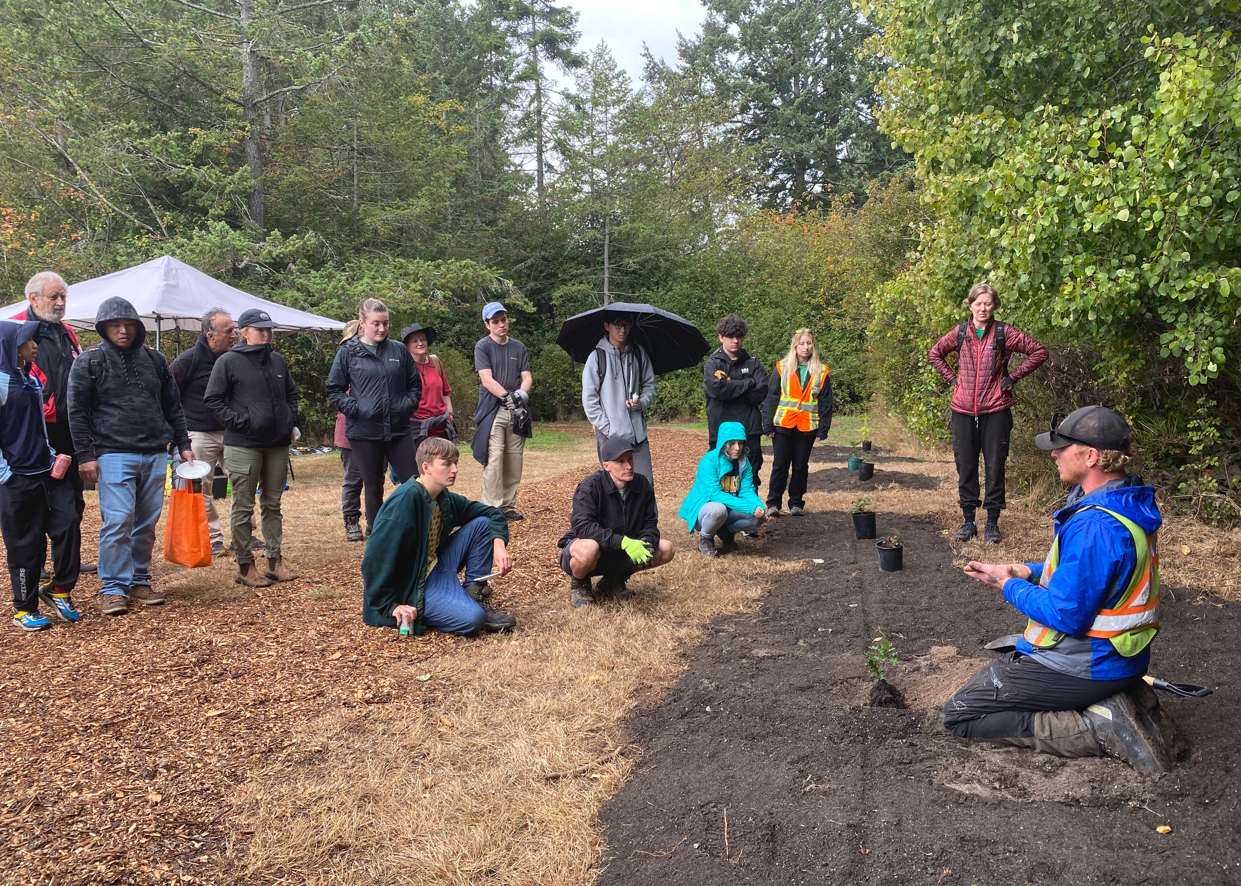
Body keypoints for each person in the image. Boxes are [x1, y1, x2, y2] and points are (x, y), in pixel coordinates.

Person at [944, 406, 1171, 772]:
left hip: (1090, 663)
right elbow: (1089, 574)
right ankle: (1113, 700)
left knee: (960, 713)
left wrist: (1009, 585)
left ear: (1091, 456)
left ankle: (1092, 726)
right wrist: (1023, 570)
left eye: (1062, 447)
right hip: (1124, 657)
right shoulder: (1125, 501)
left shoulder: (1095, 524)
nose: (1054, 454)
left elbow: (1067, 614)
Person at [67, 297, 195, 616]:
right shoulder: (89, 361)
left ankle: (139, 579)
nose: (122, 331)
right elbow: (77, 411)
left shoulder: (155, 359)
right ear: (103, 328)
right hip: (112, 452)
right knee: (118, 520)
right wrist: (85, 455)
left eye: (128, 325)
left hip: (154, 452)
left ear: (138, 327)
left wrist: (184, 444)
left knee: (146, 523)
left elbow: (173, 406)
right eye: (114, 325)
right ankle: (112, 587)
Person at [929, 282, 1048, 544]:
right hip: (962, 410)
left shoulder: (1004, 333)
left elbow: (1039, 352)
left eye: (988, 303)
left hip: (996, 409)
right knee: (966, 466)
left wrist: (1013, 377)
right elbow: (935, 354)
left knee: (995, 466)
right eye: (978, 303)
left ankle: (992, 523)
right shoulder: (960, 332)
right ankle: (968, 521)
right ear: (969, 305)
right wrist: (952, 379)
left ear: (994, 306)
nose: (983, 308)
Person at [361, 437, 516, 636]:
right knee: (473, 620)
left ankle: (474, 593)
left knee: (482, 525)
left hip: (439, 564)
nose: (455, 470)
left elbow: (493, 513)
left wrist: (499, 545)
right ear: (426, 467)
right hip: (415, 583)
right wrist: (390, 607)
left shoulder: (444, 498)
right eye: (447, 464)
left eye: (456, 464)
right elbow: (373, 561)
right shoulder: (403, 504)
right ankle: (450, 603)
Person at [203, 308, 299, 588]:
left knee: (273, 504)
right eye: (260, 329)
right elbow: (213, 400)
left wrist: (288, 418)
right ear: (243, 332)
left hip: (277, 443)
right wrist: (242, 422)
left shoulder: (278, 361)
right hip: (243, 444)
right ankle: (245, 566)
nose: (266, 333)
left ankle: (274, 561)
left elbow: (291, 394)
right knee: (243, 505)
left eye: (269, 328)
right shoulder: (229, 361)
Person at [1, 320, 82, 630]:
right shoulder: (1, 383)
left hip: (46, 472)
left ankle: (59, 589)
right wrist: (6, 475)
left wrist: (50, 457)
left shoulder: (30, 380)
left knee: (69, 521)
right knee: (26, 543)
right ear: (10, 346)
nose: (35, 346)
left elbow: (36, 428)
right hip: (17, 479)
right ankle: (24, 608)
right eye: (28, 341)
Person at [11, 271, 90, 585]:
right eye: (54, 297)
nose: (60, 303)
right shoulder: (17, 327)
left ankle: (67, 559)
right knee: (37, 499)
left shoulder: (67, 331)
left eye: (63, 298)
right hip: (34, 428)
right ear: (33, 298)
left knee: (73, 497)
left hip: (70, 427)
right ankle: (36, 563)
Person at [326, 299, 422, 535]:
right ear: (362, 323)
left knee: (413, 482)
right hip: (364, 431)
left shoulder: (399, 350)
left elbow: (415, 385)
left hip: (398, 428)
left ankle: (415, 529)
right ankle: (378, 534)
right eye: (376, 324)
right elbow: (334, 390)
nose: (381, 329)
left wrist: (406, 406)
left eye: (385, 324)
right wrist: (358, 409)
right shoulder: (348, 352)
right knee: (373, 485)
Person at [559, 434, 674, 607]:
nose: (628, 466)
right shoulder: (590, 487)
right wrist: (623, 542)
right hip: (592, 550)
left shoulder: (642, 484)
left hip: (619, 554)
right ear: (606, 466)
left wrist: (646, 542)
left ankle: (613, 581)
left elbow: (650, 522)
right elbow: (582, 527)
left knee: (666, 548)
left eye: (630, 459)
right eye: (620, 462)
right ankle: (580, 584)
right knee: (588, 549)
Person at [171, 308, 235, 557]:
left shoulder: (235, 358)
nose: (234, 335)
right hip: (198, 433)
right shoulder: (187, 362)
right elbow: (169, 396)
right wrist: (178, 435)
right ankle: (213, 538)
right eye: (228, 331)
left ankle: (245, 535)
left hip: (232, 432)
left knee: (242, 482)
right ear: (211, 336)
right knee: (202, 488)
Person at [762, 328, 832, 517]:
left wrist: (823, 429)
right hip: (783, 424)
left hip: (807, 426)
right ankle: (773, 504)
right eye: (802, 343)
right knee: (780, 464)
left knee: (800, 466)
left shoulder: (822, 371)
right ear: (795, 346)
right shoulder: (781, 367)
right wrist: (767, 424)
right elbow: (772, 397)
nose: (806, 347)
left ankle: (796, 503)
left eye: (809, 343)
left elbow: (826, 402)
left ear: (813, 346)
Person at [582, 310, 658, 485]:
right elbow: (589, 399)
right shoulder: (596, 358)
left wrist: (641, 403)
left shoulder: (639, 354)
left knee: (645, 485)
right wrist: (607, 428)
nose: (623, 330)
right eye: (618, 325)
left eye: (627, 325)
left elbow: (650, 386)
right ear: (607, 326)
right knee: (615, 488)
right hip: (610, 437)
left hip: (638, 436)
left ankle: (646, 515)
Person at [472, 302, 532, 521]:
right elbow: (486, 379)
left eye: (503, 320)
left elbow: (526, 377)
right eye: (495, 321)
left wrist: (520, 396)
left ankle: (507, 506)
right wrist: (508, 397)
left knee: (514, 458)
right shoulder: (482, 346)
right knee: (494, 457)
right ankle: (491, 508)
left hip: (517, 410)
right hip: (493, 409)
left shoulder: (519, 347)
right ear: (487, 324)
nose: (501, 324)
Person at [678, 420, 766, 557]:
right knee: (719, 509)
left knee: (758, 517)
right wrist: (747, 507)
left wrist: (758, 506)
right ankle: (706, 538)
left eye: (740, 443)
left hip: (729, 509)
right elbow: (715, 494)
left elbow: (747, 489)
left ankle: (726, 532)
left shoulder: (744, 462)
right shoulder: (709, 461)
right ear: (724, 443)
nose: (737, 448)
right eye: (732, 443)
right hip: (706, 510)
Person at [704, 314, 767, 492]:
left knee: (751, 473)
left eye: (739, 336)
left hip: (749, 428)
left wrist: (729, 389)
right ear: (721, 337)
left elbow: (760, 393)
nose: (735, 341)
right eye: (731, 336)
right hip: (720, 428)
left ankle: (749, 514)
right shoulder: (712, 364)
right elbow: (716, 390)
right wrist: (747, 383)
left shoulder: (753, 363)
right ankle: (723, 515)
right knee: (721, 473)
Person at [401, 323, 456, 453]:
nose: (420, 343)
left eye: (423, 339)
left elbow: (445, 393)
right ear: (407, 345)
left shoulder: (435, 362)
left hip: (440, 426)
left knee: (442, 466)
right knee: (418, 469)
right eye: (414, 340)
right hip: (416, 429)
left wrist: (450, 415)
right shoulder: (403, 368)